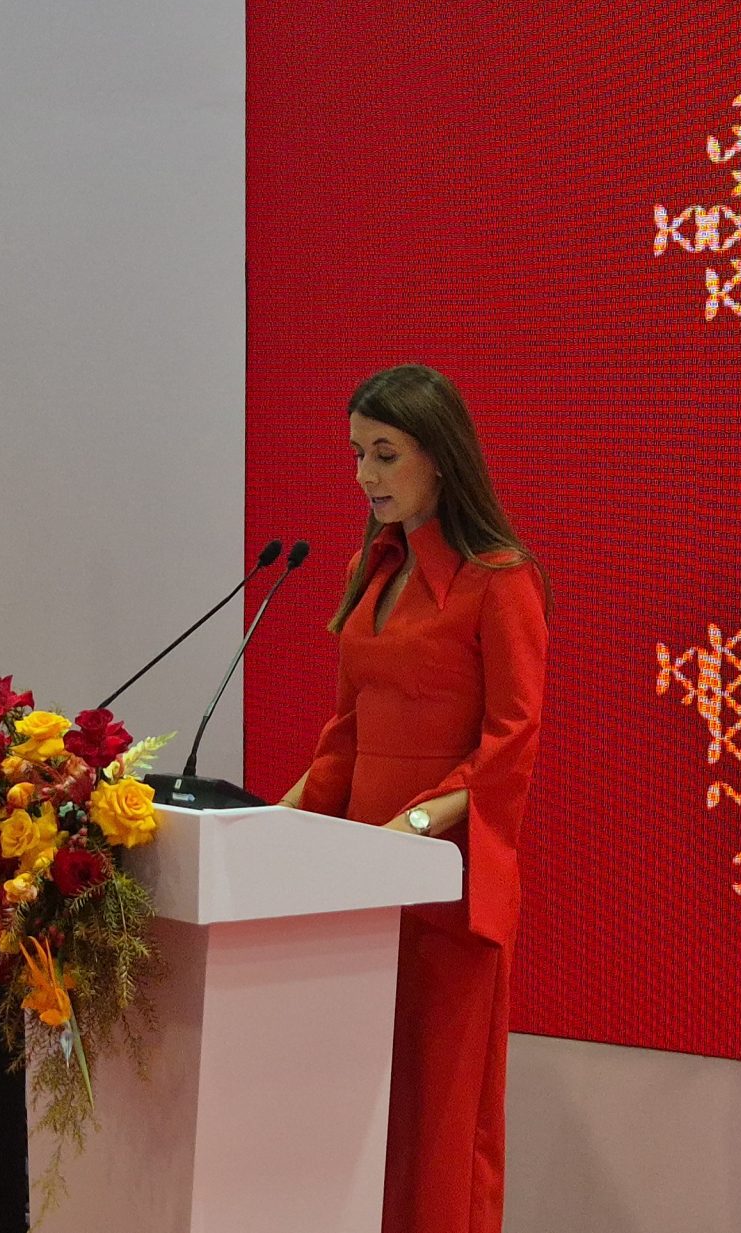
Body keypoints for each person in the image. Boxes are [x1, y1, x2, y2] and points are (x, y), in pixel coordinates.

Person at [280, 363, 546, 1233]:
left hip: (444, 890)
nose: (365, 474)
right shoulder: (370, 567)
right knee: (367, 1116)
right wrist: (273, 827)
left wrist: (413, 825)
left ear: (440, 455)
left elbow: (510, 741)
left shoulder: (499, 578)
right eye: (358, 453)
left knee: (441, 1123)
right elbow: (345, 735)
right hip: (363, 888)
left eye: (385, 453)